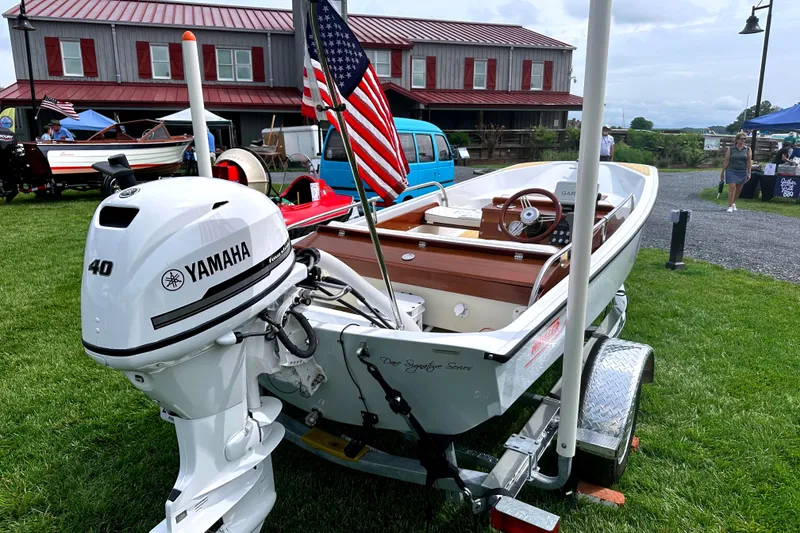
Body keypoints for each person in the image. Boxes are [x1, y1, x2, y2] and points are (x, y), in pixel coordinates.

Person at [720, 132, 752, 213]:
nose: (743, 140)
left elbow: (748, 162)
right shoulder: (731, 149)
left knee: (738, 189)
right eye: (741, 139)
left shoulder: (748, 149)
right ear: (737, 140)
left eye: (744, 139)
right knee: (732, 186)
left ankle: (733, 202)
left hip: (742, 171)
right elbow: (726, 161)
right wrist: (722, 172)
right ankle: (730, 206)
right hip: (731, 170)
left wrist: (749, 173)